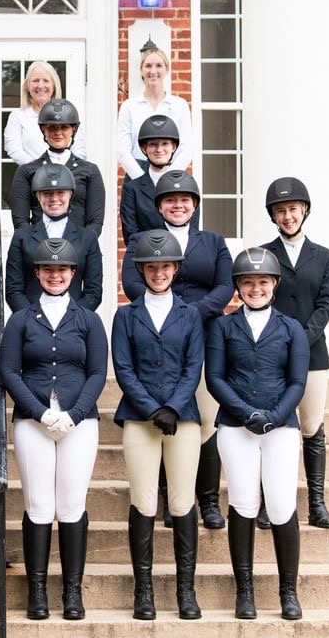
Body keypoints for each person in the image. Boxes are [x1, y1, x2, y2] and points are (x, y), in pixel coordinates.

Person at [0, 238, 108, 621]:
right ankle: (38, 591)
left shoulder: (88, 319)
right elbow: (9, 371)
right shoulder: (21, 319)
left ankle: (72, 592)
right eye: (48, 269)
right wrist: (38, 411)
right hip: (34, 422)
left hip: (79, 422)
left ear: (73, 274)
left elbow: (98, 372)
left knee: (71, 505)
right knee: (39, 506)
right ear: (37, 274)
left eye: (62, 269)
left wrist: (75, 413)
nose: (55, 275)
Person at [121, 170, 233, 531]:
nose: (178, 205)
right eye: (170, 200)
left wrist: (189, 314)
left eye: (185, 199)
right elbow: (131, 282)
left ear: (195, 205)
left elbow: (226, 284)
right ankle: (168, 498)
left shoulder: (213, 242)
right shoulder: (142, 239)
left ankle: (209, 499)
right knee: (164, 411)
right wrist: (168, 314)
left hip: (205, 333)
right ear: (159, 207)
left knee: (203, 419)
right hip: (154, 337)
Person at [206, 247, 308, 621]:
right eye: (248, 282)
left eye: (262, 281)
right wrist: (246, 413)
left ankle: (288, 592)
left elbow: (297, 382)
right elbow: (215, 377)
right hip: (236, 427)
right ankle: (244, 591)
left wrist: (275, 416)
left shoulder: (291, 328)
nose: (255, 288)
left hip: (280, 428)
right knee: (243, 504)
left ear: (274, 285)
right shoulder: (223, 326)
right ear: (238, 287)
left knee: (281, 504)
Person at [112, 230, 204, 621]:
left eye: (165, 266)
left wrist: (174, 407)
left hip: (182, 419)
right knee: (144, 501)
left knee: (182, 501)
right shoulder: (126, 315)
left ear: (175, 269)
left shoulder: (190, 314)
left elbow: (193, 366)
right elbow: (123, 368)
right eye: (152, 267)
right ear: (142, 271)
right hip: (139, 417)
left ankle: (186, 589)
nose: (159, 272)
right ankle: (144, 590)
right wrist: (153, 408)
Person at [261, 176, 329, 529]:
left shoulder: (324, 257)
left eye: (292, 209)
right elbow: (259, 299)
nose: (288, 216)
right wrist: (280, 342)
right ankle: (267, 502)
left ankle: (316, 503)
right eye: (281, 211)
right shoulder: (263, 255)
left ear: (304, 210)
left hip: (312, 353)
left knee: (311, 426)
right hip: (271, 354)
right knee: (273, 424)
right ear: (273, 216)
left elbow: (325, 304)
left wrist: (300, 340)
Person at [6, 163, 102, 311]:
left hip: (75, 324)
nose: (54, 198)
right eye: (47, 193)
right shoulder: (22, 237)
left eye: (60, 192)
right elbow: (13, 290)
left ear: (71, 194)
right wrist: (33, 320)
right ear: (38, 196)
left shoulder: (88, 238)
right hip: (31, 323)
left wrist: (72, 319)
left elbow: (93, 292)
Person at [9, 99, 106, 236]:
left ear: (73, 129)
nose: (58, 133)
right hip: (38, 249)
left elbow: (95, 221)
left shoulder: (90, 171)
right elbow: (20, 221)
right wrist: (36, 245)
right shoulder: (26, 171)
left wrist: (82, 245)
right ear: (43, 130)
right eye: (52, 127)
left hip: (79, 250)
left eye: (64, 127)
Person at [116, 41, 194, 179]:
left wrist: (169, 177)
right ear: (141, 70)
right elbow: (122, 151)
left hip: (171, 175)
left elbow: (186, 149)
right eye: (148, 66)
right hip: (137, 176)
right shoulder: (129, 106)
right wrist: (142, 178)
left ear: (166, 69)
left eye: (159, 65)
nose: (153, 71)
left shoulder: (179, 105)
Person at [3, 61, 86, 164]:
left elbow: (79, 150)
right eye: (35, 80)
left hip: (67, 175)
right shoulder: (18, 116)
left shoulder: (68, 113)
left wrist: (64, 170)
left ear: (54, 86)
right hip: (31, 175)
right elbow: (13, 149)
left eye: (46, 81)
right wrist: (39, 169)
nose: (40, 85)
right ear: (27, 86)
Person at [120, 114, 182, 243]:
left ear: (174, 147)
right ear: (144, 148)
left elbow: (191, 233)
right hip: (144, 257)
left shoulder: (186, 186)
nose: (159, 150)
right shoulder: (132, 189)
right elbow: (131, 235)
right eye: (153, 144)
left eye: (165, 144)